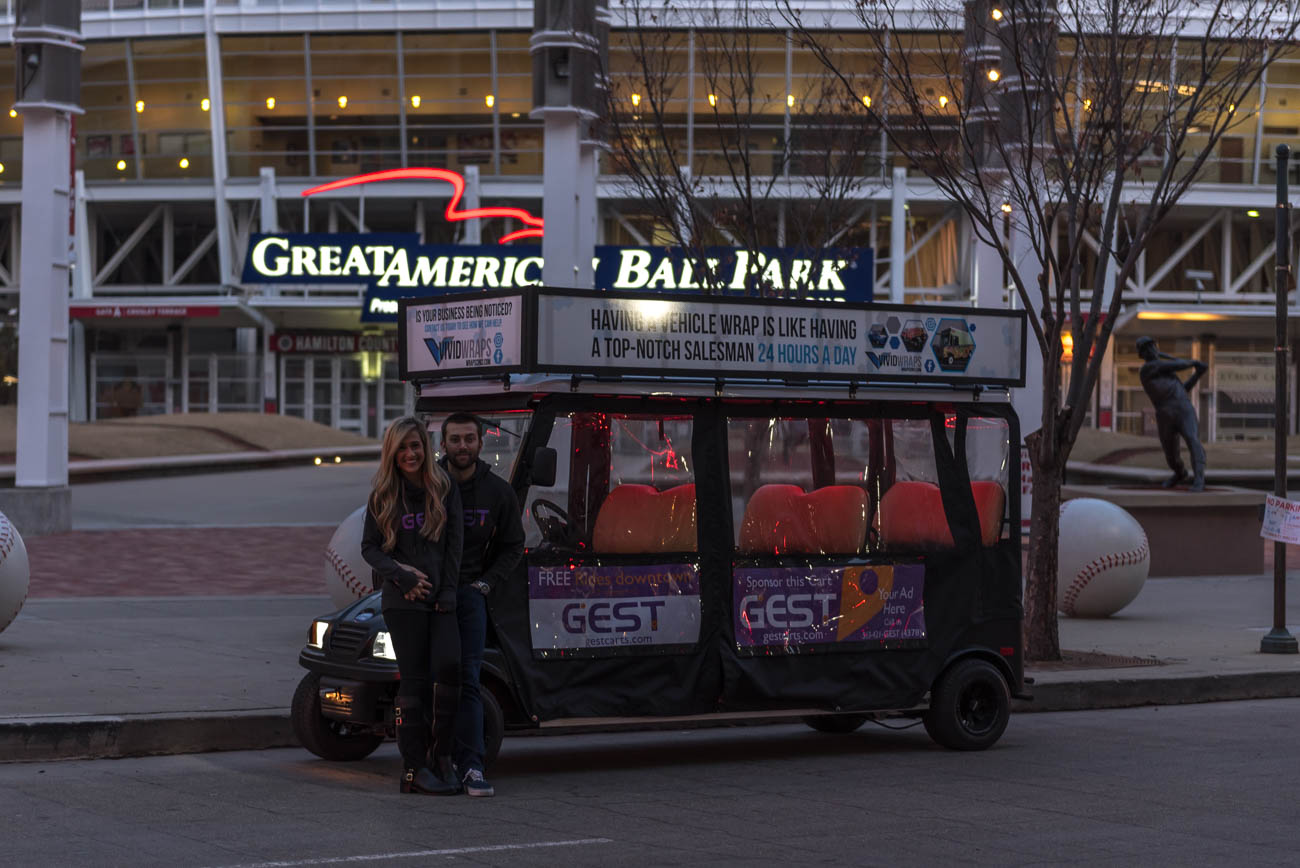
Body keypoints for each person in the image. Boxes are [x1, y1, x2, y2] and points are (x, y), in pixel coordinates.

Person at [361, 416, 464, 795]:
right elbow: (369, 548)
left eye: (415, 446)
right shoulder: (383, 494)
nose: (410, 453)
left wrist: (448, 591)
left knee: (449, 669)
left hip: (441, 599)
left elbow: (455, 545)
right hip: (402, 602)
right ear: (393, 451)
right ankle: (413, 768)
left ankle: (443, 758)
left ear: (425, 447)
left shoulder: (444, 487)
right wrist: (401, 576)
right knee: (414, 683)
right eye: (402, 447)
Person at [439, 413, 525, 798]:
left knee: (469, 682)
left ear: (480, 443)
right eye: (455, 439)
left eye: (468, 439)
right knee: (429, 683)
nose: (462, 446)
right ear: (443, 443)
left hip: (470, 598)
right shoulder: (426, 486)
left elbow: (512, 545)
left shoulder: (497, 492)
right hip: (429, 598)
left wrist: (485, 583)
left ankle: (472, 766)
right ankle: (433, 763)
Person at [1136, 336, 1208, 491]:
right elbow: (1178, 365)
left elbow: (1183, 390)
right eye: (1146, 349)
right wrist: (1194, 363)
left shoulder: (1167, 373)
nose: (1151, 350)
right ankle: (1180, 473)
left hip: (1183, 409)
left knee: (1192, 440)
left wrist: (1197, 374)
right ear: (1142, 355)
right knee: (1171, 455)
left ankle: (1199, 480)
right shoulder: (1147, 370)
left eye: (1152, 347)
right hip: (1164, 413)